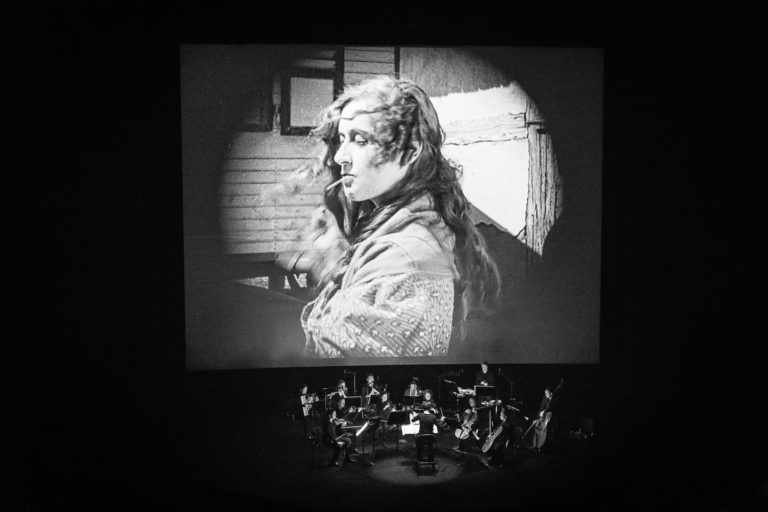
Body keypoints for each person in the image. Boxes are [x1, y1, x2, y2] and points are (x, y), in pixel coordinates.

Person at [280, 75, 500, 358]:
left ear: (409, 153)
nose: (339, 157)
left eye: (360, 140)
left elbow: (340, 356)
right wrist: (336, 260)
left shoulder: (408, 258)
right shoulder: (394, 225)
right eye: (342, 140)